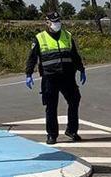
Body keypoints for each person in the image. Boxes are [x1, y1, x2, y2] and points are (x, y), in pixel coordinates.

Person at [25, 11, 87, 145]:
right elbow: (32, 58)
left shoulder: (67, 35)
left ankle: (72, 130)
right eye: (54, 22)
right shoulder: (39, 38)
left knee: (75, 100)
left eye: (58, 21)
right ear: (47, 23)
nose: (57, 24)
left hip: (67, 76)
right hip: (50, 77)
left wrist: (81, 69)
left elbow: (75, 55)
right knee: (51, 106)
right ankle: (52, 135)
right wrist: (28, 74)